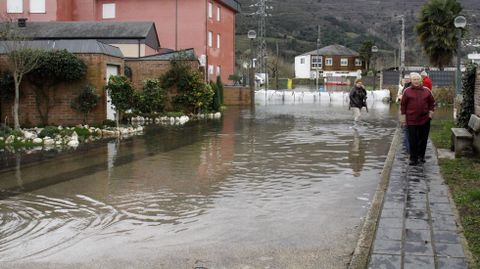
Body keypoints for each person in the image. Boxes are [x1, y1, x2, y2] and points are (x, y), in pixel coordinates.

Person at [400, 72, 435, 165]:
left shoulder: (427, 91)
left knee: (423, 139)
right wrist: (403, 118)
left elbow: (432, 103)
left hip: (424, 119)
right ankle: (413, 158)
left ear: (421, 80)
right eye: (414, 79)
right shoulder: (407, 91)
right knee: (412, 139)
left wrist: (431, 113)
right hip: (411, 119)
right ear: (411, 81)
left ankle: (421, 156)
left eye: (418, 79)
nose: (416, 81)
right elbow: (403, 105)